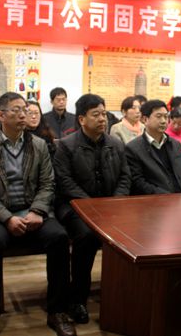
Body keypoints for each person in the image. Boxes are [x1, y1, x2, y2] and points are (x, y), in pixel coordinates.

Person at [0, 92, 75, 336]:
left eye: (25, 110)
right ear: (1, 115)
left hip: (32, 211)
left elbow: (48, 183)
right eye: (16, 110)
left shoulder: (38, 145)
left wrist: (37, 210)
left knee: (59, 237)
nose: (23, 115)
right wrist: (7, 218)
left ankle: (58, 311)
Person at [53, 94, 131, 325]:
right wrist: (91, 206)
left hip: (110, 206)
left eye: (104, 114)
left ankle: (123, 294)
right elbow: (65, 182)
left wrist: (115, 202)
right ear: (81, 119)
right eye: (95, 114)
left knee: (131, 232)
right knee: (86, 236)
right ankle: (78, 299)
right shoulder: (66, 145)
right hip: (74, 206)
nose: (102, 119)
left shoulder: (115, 144)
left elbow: (125, 177)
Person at [126, 99, 181, 194]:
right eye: (159, 116)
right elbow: (138, 182)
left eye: (166, 117)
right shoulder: (133, 149)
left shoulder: (176, 144)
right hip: (156, 200)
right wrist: (166, 197)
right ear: (145, 119)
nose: (164, 121)